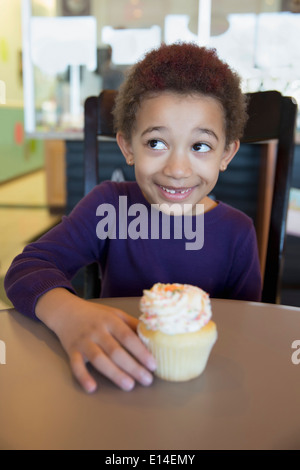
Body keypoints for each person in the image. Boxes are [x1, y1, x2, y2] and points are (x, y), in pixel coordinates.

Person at [5, 42, 261, 393]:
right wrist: (69, 314)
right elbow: (26, 269)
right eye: (156, 143)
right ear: (128, 147)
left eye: (200, 146)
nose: (177, 169)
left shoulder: (237, 233)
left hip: (201, 393)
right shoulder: (108, 207)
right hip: (111, 384)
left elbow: (249, 332)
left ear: (226, 153)